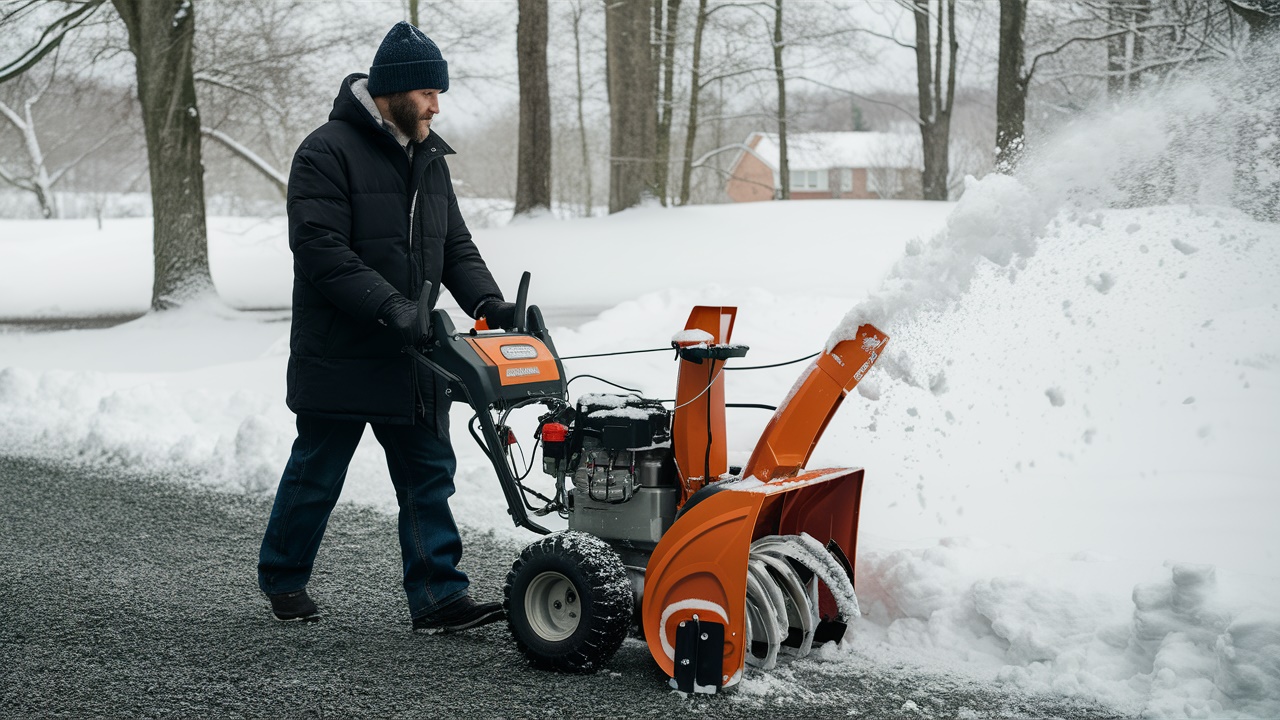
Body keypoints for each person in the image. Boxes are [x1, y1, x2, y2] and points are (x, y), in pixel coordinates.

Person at [257, 21, 520, 633]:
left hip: (416, 353)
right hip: (344, 349)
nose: (436, 105)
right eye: (429, 93)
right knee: (319, 470)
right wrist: (390, 308)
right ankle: (284, 575)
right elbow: (320, 250)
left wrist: (491, 305)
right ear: (395, 90)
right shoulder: (325, 150)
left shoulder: (429, 156)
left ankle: (438, 597)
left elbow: (454, 244)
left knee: (429, 473)